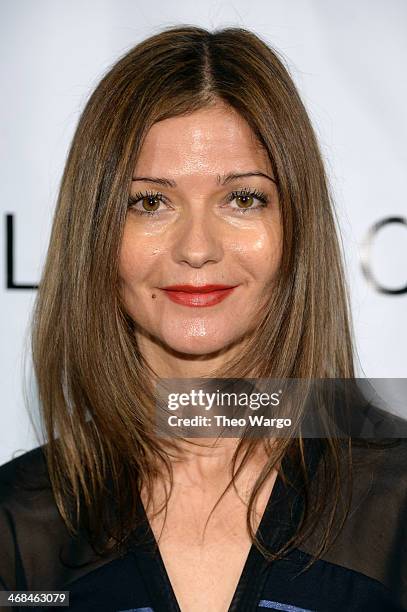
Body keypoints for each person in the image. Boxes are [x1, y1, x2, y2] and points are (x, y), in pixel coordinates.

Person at [0, 25, 406, 612]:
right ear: (95, 235)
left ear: (295, 227)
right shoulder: (17, 525)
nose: (196, 247)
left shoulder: (395, 501)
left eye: (242, 199)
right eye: (149, 202)